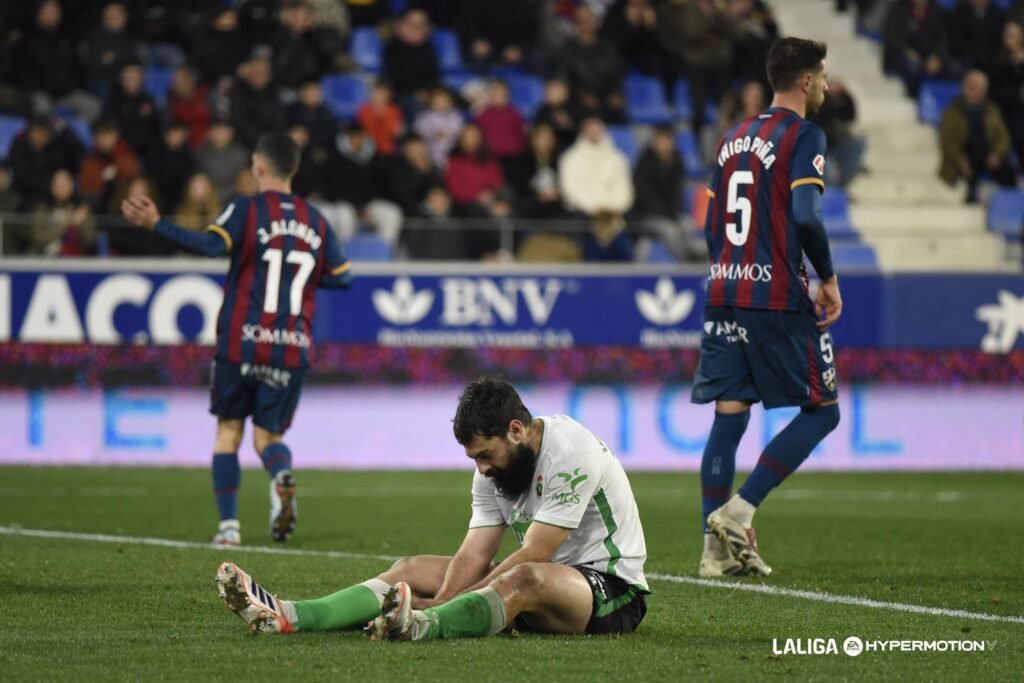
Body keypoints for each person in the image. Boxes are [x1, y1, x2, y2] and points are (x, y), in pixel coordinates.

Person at [214, 376, 649, 641]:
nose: (481, 468)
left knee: (523, 575)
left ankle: (422, 626)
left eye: (485, 454)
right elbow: (475, 554)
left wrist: (440, 607)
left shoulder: (571, 452)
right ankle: (291, 615)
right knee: (409, 569)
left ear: (516, 430)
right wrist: (443, 598)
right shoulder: (493, 470)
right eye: (474, 458)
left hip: (609, 593)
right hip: (548, 585)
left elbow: (536, 553)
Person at [120, 133, 353, 546]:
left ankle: (229, 529)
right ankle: (281, 475)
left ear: (258, 166)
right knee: (269, 438)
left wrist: (158, 223)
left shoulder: (247, 209)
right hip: (291, 346)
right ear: (294, 169)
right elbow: (344, 276)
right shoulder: (316, 220)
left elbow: (211, 245)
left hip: (241, 341)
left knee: (229, 431)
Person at [692, 38, 842, 578]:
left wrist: (731, 268)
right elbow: (806, 214)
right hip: (775, 296)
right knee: (824, 410)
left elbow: (711, 224)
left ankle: (713, 552)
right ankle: (740, 509)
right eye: (822, 76)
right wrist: (825, 277)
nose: (826, 84)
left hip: (724, 291)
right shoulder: (805, 135)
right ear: (805, 81)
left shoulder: (734, 136)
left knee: (729, 415)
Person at [938, 69, 1017, 204]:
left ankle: (1010, 205)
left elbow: (1003, 137)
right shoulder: (952, 111)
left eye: (977, 87)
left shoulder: (991, 110)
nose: (973, 90)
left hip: (988, 154)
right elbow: (947, 141)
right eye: (970, 86)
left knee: (1009, 173)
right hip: (965, 155)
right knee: (973, 154)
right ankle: (971, 196)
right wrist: (960, 159)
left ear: (984, 90)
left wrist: (997, 154)